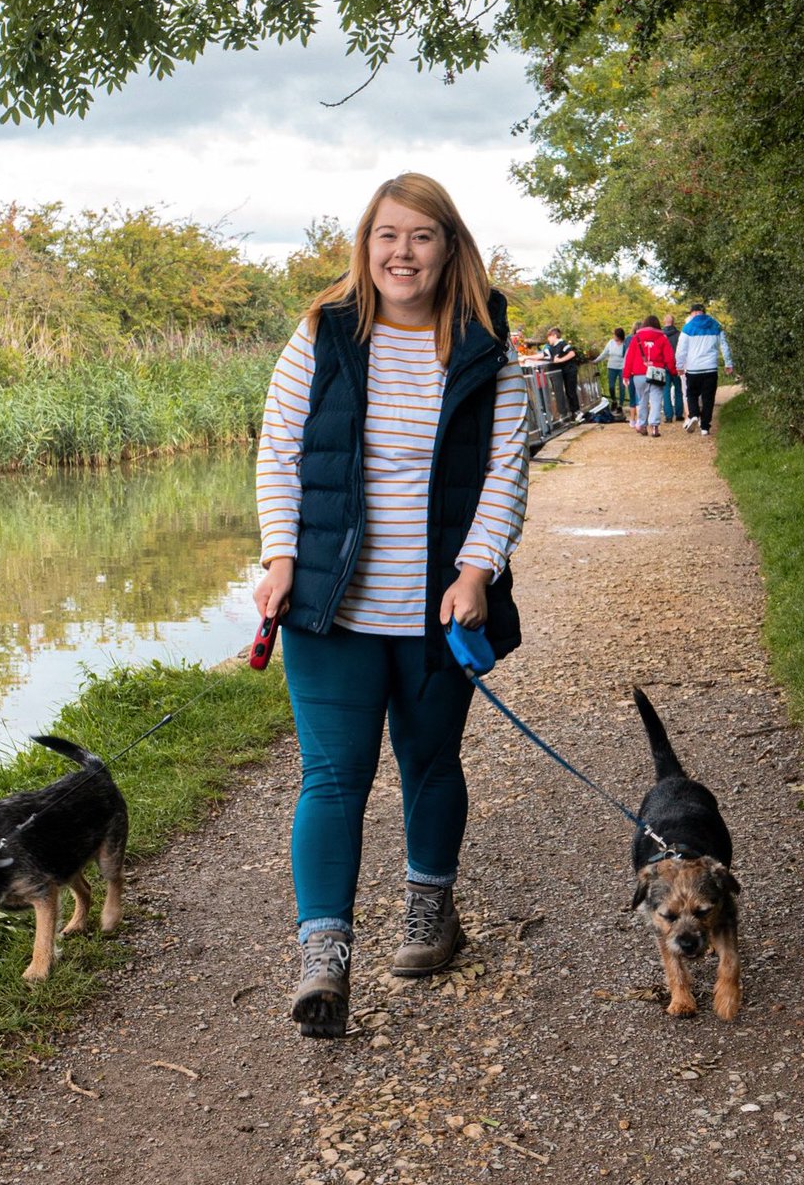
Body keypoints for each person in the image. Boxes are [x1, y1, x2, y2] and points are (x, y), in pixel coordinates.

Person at [254, 173, 530, 1039]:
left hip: (437, 610)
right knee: (332, 778)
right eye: (386, 235)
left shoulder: (488, 349)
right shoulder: (322, 336)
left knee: (429, 763)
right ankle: (324, 959)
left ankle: (428, 913)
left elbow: (506, 471)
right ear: (364, 246)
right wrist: (279, 555)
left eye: (419, 236)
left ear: (450, 248)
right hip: (331, 608)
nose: (400, 253)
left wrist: (478, 570)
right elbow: (279, 452)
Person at [675, 302, 734, 436]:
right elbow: (724, 345)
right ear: (704, 312)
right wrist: (728, 363)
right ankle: (705, 427)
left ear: (692, 313)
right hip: (710, 368)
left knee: (691, 394)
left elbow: (681, 350)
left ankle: (694, 415)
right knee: (708, 398)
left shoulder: (688, 327)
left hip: (693, 368)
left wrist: (679, 366)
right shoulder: (716, 325)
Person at [622, 315, 677, 437]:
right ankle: (655, 427)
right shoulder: (663, 338)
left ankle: (642, 425)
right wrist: (673, 371)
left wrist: (626, 375)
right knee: (656, 400)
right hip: (657, 373)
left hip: (639, 374)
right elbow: (669, 357)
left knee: (642, 400)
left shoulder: (636, 338)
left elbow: (629, 358)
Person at [539, 326, 581, 421]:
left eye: (549, 337)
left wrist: (560, 360)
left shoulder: (562, 344)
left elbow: (572, 354)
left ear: (554, 336)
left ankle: (577, 411)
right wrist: (527, 357)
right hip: (563, 372)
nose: (548, 339)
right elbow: (543, 355)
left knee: (570, 391)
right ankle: (569, 412)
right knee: (565, 392)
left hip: (570, 370)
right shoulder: (553, 347)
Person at [592, 327, 627, 412]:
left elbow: (627, 356)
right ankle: (614, 400)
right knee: (611, 387)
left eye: (615, 334)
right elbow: (604, 353)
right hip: (612, 367)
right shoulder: (611, 343)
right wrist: (596, 360)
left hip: (622, 367)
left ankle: (620, 405)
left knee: (622, 387)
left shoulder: (625, 344)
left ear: (619, 336)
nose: (613, 336)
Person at [661, 313, 684, 424]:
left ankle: (668, 416)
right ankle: (679, 414)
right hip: (677, 366)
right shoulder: (680, 335)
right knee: (678, 390)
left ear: (664, 322)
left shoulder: (660, 336)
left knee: (665, 391)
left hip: (664, 366)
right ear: (673, 322)